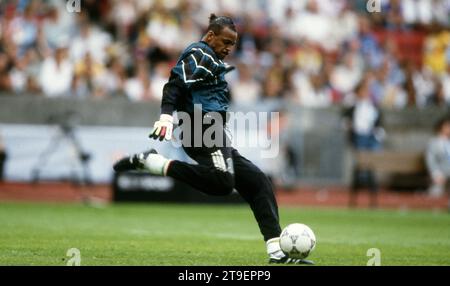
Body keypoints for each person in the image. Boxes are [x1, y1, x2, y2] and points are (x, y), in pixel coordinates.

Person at [113, 14, 311, 264]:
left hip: (214, 131)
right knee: (222, 182)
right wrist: (165, 117)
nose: (229, 48)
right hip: (200, 129)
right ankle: (155, 163)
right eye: (225, 42)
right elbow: (174, 84)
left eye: (233, 44)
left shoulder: (212, 59)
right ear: (210, 36)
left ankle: (277, 252)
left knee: (257, 181)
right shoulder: (199, 52)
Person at [343, 77, 385, 208]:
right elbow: (345, 122)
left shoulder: (374, 107)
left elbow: (379, 125)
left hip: (370, 139)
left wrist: (376, 135)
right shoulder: (352, 107)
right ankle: (355, 200)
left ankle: (373, 201)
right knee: (359, 170)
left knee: (371, 168)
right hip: (358, 139)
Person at [425, 117, 450, 198]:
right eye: (447, 126)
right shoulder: (434, 142)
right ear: (441, 127)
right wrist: (436, 174)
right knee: (436, 193)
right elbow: (430, 160)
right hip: (441, 173)